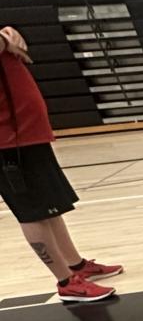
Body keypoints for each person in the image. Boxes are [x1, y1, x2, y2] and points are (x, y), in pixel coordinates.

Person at [0, 25, 121, 303]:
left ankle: (75, 265)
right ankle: (66, 282)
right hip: (7, 142)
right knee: (32, 212)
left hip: (26, 134)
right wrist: (5, 38)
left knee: (49, 206)